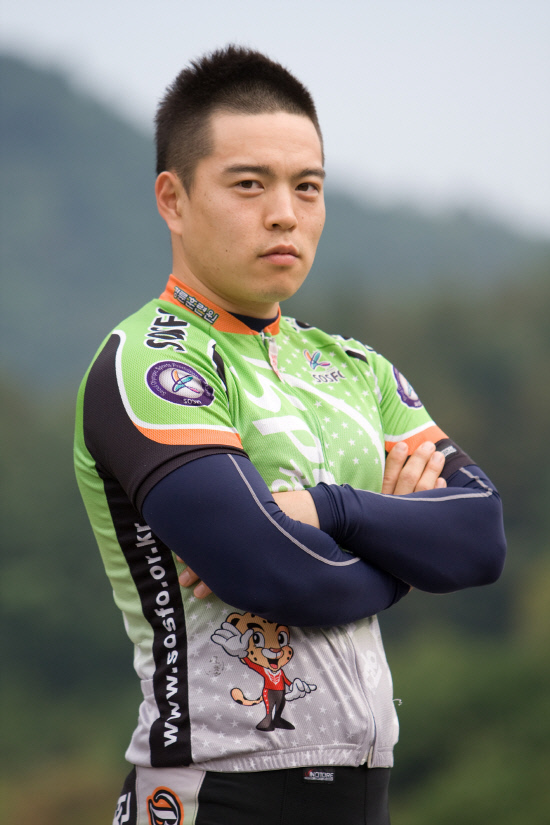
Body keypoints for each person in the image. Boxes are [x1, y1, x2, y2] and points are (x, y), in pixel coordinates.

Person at [74, 46, 506, 825]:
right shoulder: (149, 361)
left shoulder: (358, 368)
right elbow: (271, 570)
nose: (285, 213)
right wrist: (403, 558)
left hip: (364, 794)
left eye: (307, 186)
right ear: (173, 199)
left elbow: (480, 537)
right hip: (215, 791)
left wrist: (334, 510)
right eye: (250, 184)